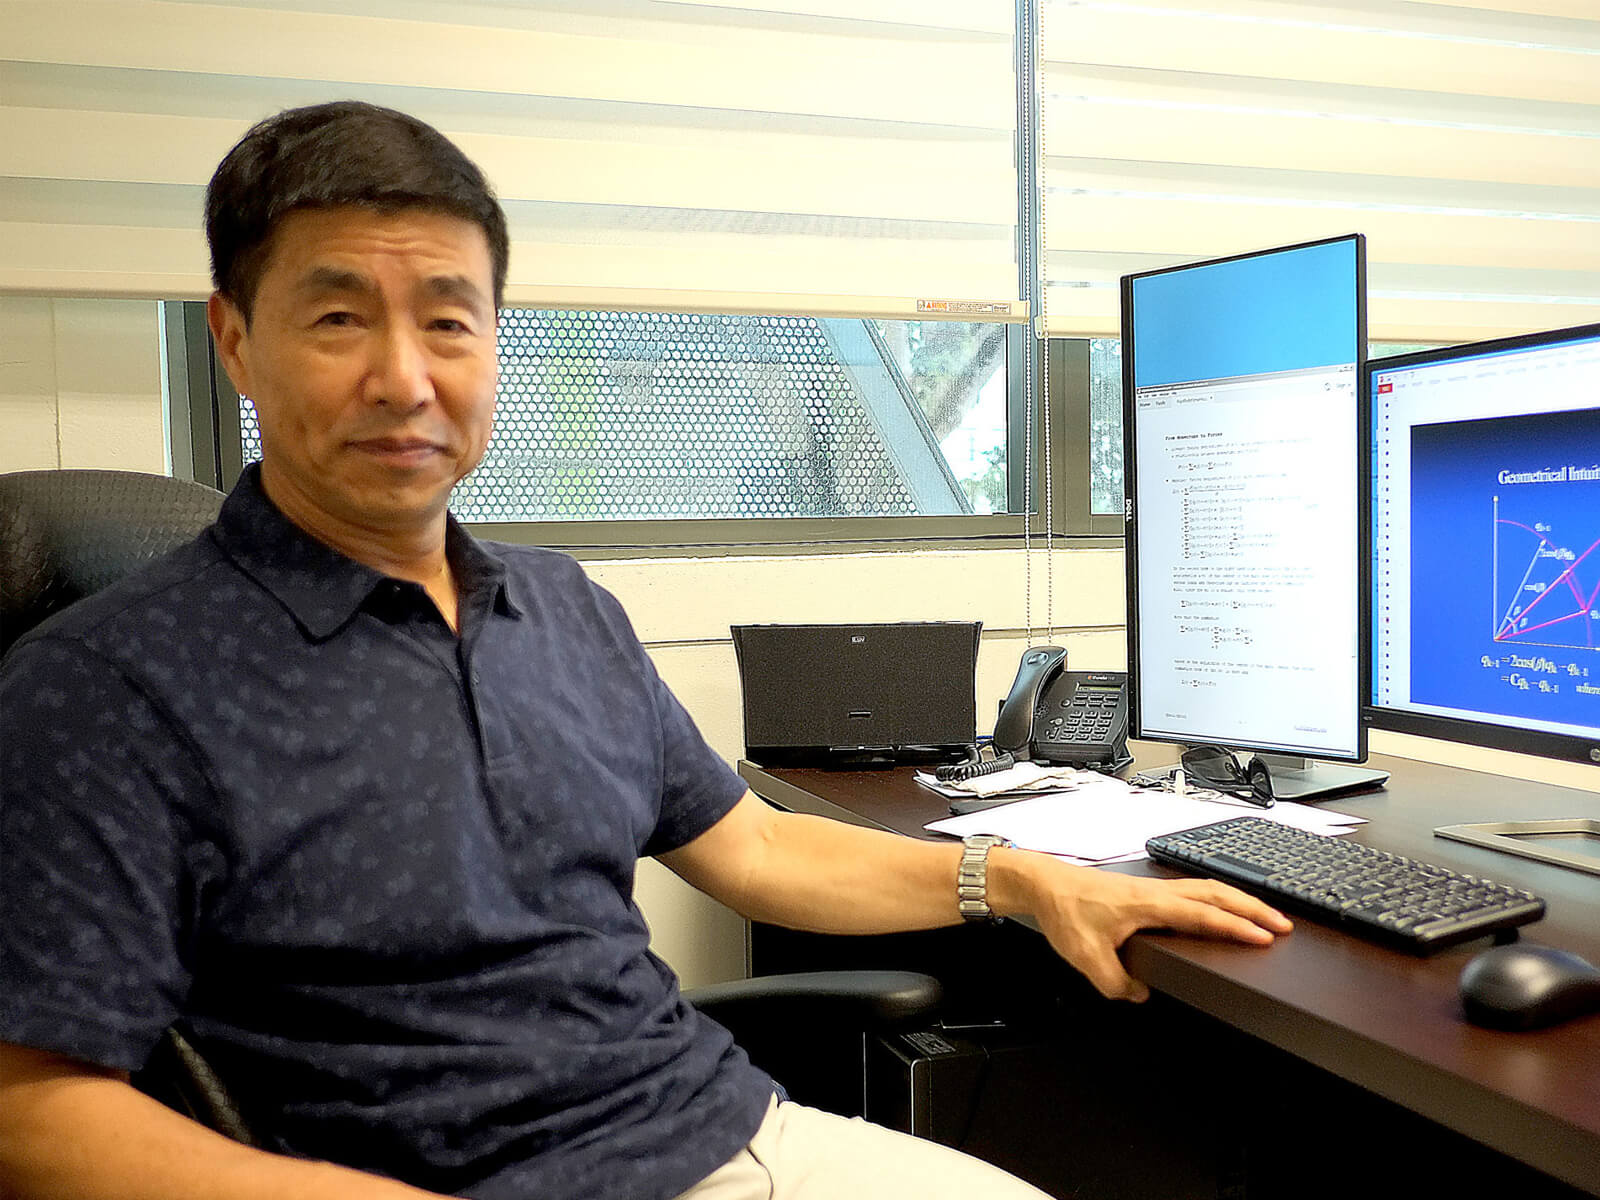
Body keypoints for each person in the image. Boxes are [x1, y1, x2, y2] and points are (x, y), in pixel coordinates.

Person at [0, 101, 1291, 1200]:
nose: (404, 378)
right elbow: (33, 1114)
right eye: (339, 320)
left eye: (449, 321)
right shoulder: (108, 685)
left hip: (734, 1138)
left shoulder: (560, 610)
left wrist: (1017, 879)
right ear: (234, 337)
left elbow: (762, 849)